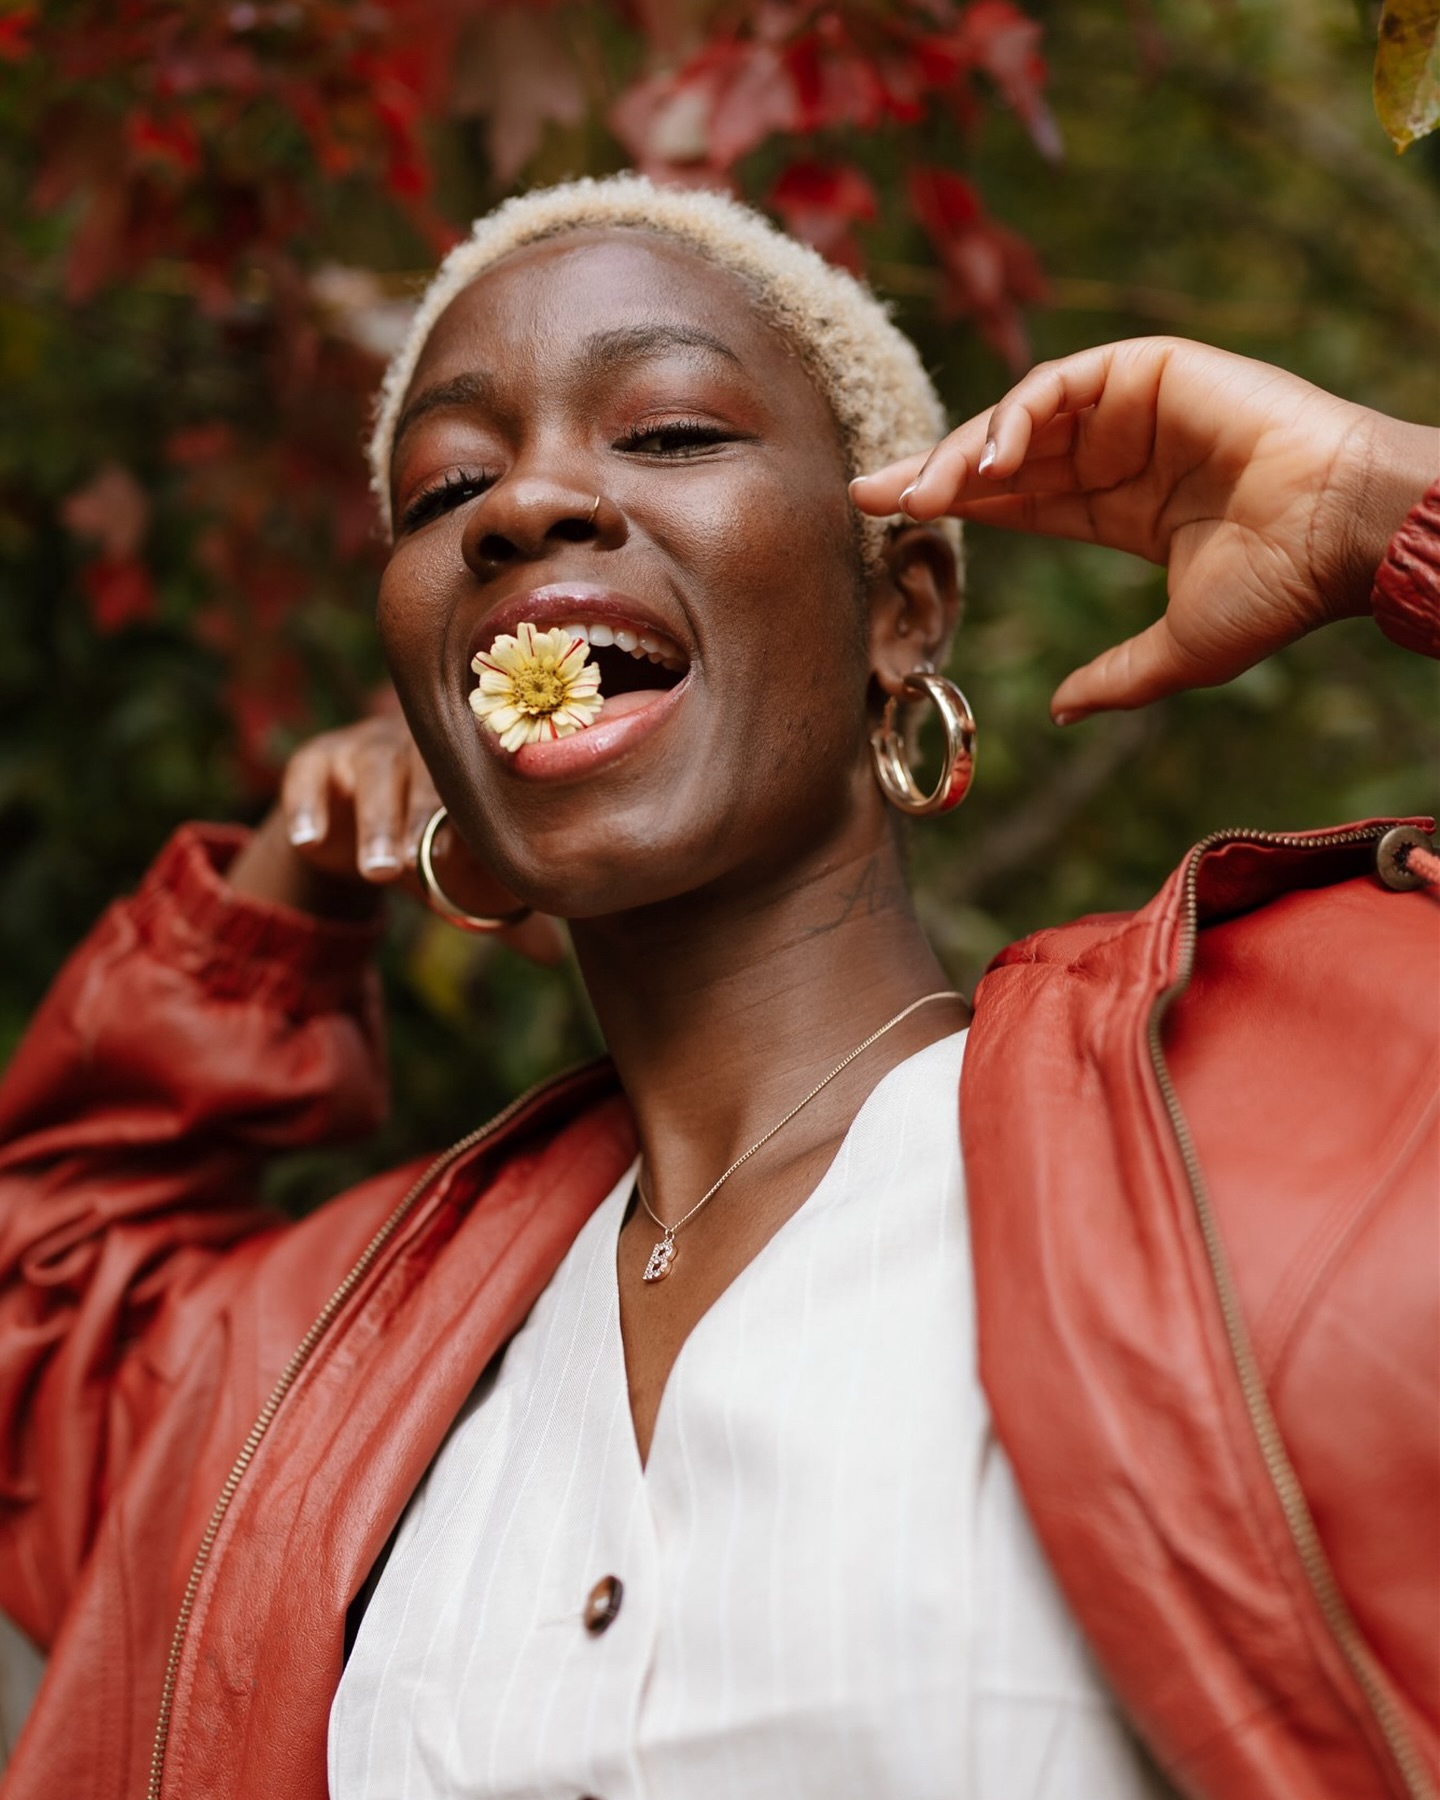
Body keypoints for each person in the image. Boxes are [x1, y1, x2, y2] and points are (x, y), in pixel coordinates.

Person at [0, 175, 1434, 1800]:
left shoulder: (1294, 1087)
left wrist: (1390, 499)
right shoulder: (328, 1354)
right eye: (446, 484)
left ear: (902, 607)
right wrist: (284, 894)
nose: (521, 505)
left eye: (670, 433)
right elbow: (43, 1297)